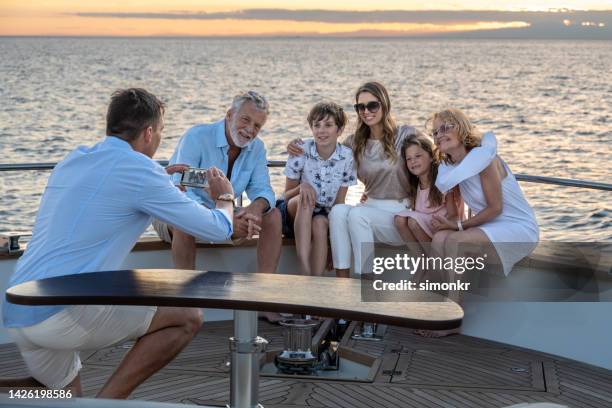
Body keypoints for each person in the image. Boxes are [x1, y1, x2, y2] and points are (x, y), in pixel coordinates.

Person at [1, 88, 235, 397]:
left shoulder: (76, 157)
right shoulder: (140, 172)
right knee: (187, 317)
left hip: (20, 302)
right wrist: (225, 197)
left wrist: (159, 180)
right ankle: (108, 403)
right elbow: (218, 230)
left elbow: (111, 190)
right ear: (149, 132)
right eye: (162, 132)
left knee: (65, 397)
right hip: (60, 311)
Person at [288, 82, 423, 276]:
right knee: (338, 212)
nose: (366, 111)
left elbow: (433, 156)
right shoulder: (354, 142)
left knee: (357, 215)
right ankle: (343, 283)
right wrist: (295, 144)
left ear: (384, 105)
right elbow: (326, 147)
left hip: (400, 212)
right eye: (360, 107)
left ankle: (365, 283)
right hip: (370, 208)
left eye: (372, 105)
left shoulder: (405, 135)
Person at [424, 108, 539, 337]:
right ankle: (436, 306)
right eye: (435, 132)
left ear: (462, 129)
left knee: (455, 240)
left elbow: (496, 208)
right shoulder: (453, 167)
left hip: (518, 227)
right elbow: (454, 212)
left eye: (446, 127)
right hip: (491, 226)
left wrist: (457, 227)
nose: (439, 135)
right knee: (439, 239)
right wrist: (444, 222)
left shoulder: (484, 159)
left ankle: (452, 318)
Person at [154, 91, 282, 274]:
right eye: (245, 120)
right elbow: (182, 192)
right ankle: (184, 296)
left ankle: (265, 290)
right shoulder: (197, 137)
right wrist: (222, 218)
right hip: (175, 211)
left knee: (273, 215)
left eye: (257, 126)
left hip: (222, 213)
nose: (250, 130)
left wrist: (255, 207)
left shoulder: (257, 148)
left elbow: (263, 189)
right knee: (185, 219)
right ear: (230, 115)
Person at [278, 102, 356, 276]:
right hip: (293, 211)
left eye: (328, 125)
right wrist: (302, 187)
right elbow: (285, 196)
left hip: (323, 214)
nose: (321, 130)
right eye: (317, 125)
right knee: (307, 200)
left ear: (340, 129)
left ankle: (316, 281)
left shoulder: (347, 157)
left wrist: (333, 243)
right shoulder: (300, 150)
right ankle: (304, 268)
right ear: (311, 128)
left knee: (320, 224)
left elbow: (339, 204)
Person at [393, 135, 462, 275]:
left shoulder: (442, 181)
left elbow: (455, 215)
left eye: (418, 156)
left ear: (431, 157)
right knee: (399, 219)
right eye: (409, 159)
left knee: (412, 221)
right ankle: (421, 261)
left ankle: (431, 266)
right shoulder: (414, 184)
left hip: (443, 227)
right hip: (426, 227)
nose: (413, 162)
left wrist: (447, 226)